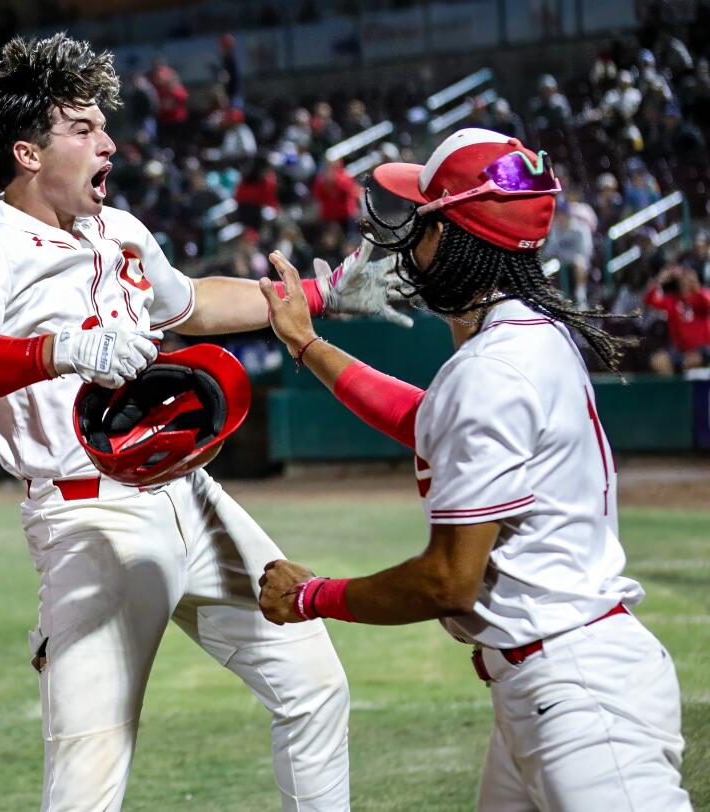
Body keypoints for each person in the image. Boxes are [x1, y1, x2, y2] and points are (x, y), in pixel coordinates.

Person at [0, 34, 409, 811]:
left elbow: (196, 303)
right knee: (89, 778)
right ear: (27, 152)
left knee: (314, 684)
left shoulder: (122, 230)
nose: (108, 140)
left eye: (103, 125)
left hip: (190, 495)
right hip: (87, 517)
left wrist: (325, 293)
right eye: (81, 127)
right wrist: (61, 349)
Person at [257, 128, 691, 811]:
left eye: (424, 220)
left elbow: (449, 581)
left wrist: (313, 597)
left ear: (457, 239)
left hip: (579, 697)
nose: (408, 238)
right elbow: (428, 419)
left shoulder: (492, 369)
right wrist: (308, 345)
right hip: (554, 679)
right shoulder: (528, 334)